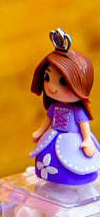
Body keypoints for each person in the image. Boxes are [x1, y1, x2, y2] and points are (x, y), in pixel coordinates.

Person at [30, 28, 100, 186]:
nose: (52, 88)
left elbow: (84, 125)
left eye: (62, 81)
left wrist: (87, 140)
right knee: (48, 168)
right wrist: (40, 132)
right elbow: (47, 121)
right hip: (52, 138)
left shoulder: (77, 110)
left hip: (73, 143)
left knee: (73, 169)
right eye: (47, 78)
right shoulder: (54, 106)